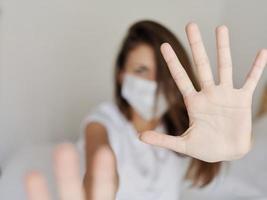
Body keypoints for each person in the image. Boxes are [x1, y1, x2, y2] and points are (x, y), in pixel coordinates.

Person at [25, 21, 267, 200]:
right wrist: (99, 188)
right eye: (141, 70)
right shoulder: (103, 121)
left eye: (161, 74)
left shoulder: (179, 131)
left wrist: (239, 142)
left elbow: (213, 181)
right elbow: (99, 162)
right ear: (121, 75)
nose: (153, 81)